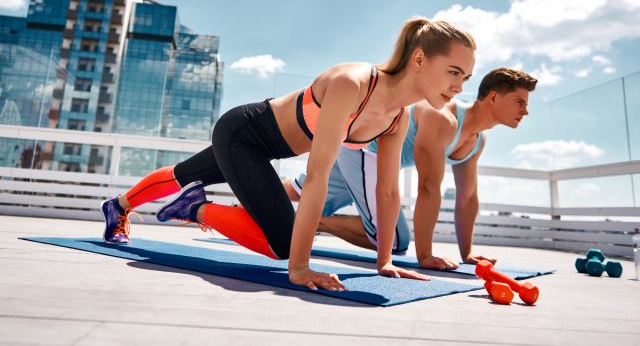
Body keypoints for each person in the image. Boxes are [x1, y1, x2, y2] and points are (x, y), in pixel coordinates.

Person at [100, 17, 476, 291]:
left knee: (184, 174)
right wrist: (300, 267)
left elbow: (389, 192)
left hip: (266, 148)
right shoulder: (354, 83)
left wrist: (385, 262)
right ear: (421, 60)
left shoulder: (397, 116)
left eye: (466, 78)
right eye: (454, 72)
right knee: (283, 245)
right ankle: (192, 208)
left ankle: (118, 205)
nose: (458, 87)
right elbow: (317, 176)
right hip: (244, 133)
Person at [285, 68, 537, 269]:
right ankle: (315, 221)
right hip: (363, 149)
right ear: (493, 97)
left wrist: (467, 253)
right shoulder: (443, 118)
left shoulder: (477, 141)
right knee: (394, 240)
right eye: (519, 102)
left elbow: (467, 196)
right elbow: (428, 186)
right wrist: (425, 256)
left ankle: (248, 199)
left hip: (356, 153)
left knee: (298, 191)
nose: (525, 111)